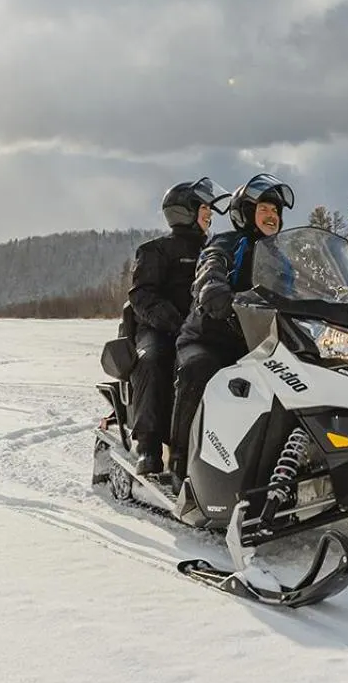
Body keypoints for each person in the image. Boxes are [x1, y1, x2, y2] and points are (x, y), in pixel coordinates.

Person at [168, 172, 294, 479]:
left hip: (261, 343)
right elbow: (210, 265)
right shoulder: (228, 243)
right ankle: (180, 460)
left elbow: (306, 289)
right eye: (264, 209)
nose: (272, 216)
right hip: (212, 336)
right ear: (246, 212)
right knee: (198, 370)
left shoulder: (284, 258)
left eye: (275, 211)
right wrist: (213, 288)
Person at [119, 177, 219, 475]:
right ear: (185, 211)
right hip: (160, 329)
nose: (209, 215)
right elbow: (141, 294)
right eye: (204, 209)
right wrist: (175, 321)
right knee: (152, 361)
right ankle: (148, 445)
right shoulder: (156, 250)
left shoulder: (216, 250)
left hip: (204, 329)